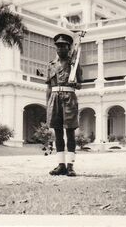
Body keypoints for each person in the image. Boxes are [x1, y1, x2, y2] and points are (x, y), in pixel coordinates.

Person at [46, 33, 82, 176]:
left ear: (69, 48)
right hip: (54, 98)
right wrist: (47, 104)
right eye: (58, 46)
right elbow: (49, 86)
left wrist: (75, 83)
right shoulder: (51, 65)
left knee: (70, 132)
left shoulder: (74, 64)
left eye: (64, 46)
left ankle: (70, 165)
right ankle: (61, 165)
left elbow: (80, 85)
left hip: (69, 98)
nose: (60, 49)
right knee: (58, 132)